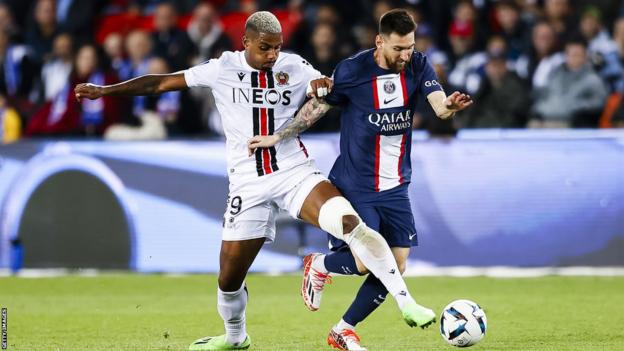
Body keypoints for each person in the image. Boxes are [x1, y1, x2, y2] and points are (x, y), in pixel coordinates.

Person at [75, 11, 437, 351]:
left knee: (349, 223)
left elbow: (319, 86)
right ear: (246, 41)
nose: (273, 54)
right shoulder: (222, 68)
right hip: (247, 184)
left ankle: (407, 303)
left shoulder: (293, 66)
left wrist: (321, 85)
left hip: (295, 172)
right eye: (265, 47)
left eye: (278, 46)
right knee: (228, 278)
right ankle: (235, 337)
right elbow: (159, 84)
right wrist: (106, 91)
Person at [247, 9, 472, 350]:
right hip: (356, 183)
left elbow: (439, 107)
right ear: (379, 41)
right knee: (368, 263)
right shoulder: (352, 70)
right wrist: (277, 137)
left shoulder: (418, 64)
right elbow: (318, 108)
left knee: (395, 264)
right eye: (399, 49)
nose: (405, 55)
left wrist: (450, 106)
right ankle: (319, 264)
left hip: (396, 183)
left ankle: (343, 330)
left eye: (410, 47)